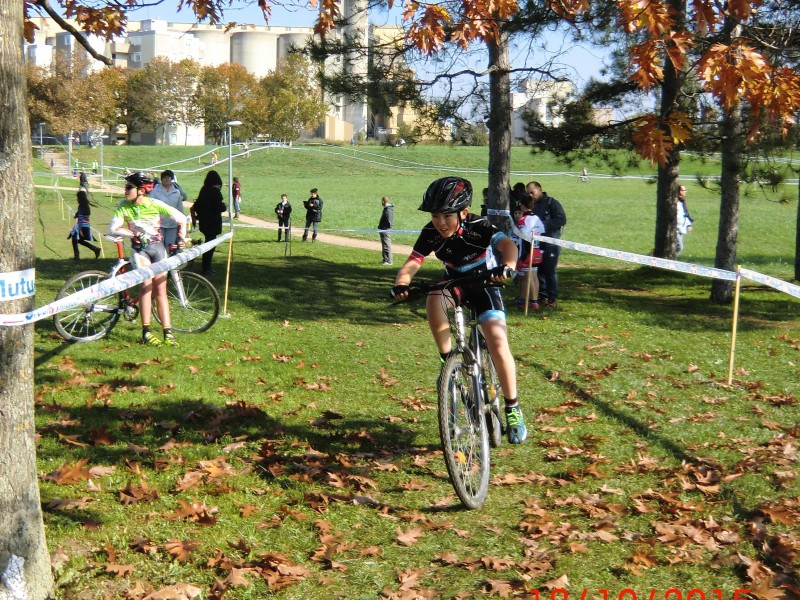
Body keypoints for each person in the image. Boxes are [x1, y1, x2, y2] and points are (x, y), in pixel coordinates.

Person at [390, 176, 527, 444]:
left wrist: (508, 266)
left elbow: (507, 246)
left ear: (463, 213)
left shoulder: (479, 225)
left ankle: (513, 408)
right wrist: (401, 284)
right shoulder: (430, 232)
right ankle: (448, 363)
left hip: (485, 283)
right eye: (435, 215)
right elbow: (412, 262)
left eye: (447, 216)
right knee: (434, 297)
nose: (440, 223)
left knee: (498, 343)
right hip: (455, 282)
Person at [108, 172, 186, 347]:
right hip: (140, 251)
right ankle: (147, 332)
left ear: (141, 190)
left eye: (129, 187)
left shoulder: (155, 204)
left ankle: (168, 332)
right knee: (146, 285)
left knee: (161, 289)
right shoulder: (124, 206)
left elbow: (181, 218)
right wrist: (132, 233)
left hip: (158, 249)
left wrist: (180, 241)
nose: (125, 190)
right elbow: (113, 228)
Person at [527, 181, 567, 308]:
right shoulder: (531, 205)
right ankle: (542, 295)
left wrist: (544, 225)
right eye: (528, 193)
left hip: (551, 243)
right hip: (537, 244)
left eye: (532, 192)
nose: (530, 195)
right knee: (538, 271)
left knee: (550, 271)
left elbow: (561, 219)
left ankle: (552, 298)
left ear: (539, 190)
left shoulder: (552, 203)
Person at [512, 193, 545, 311]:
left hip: (526, 252)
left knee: (527, 278)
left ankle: (528, 301)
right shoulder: (537, 218)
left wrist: (524, 255)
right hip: (537, 251)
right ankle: (534, 301)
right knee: (534, 277)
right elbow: (542, 232)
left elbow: (525, 238)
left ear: (523, 206)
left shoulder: (522, 221)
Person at [190, 170, 226, 276]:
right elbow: (219, 207)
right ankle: (206, 268)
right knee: (210, 246)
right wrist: (224, 206)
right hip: (213, 222)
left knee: (208, 244)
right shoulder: (215, 192)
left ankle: (207, 267)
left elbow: (197, 205)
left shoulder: (204, 190)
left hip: (204, 222)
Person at [150, 169, 188, 248]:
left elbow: (180, 208)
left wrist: (181, 223)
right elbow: (150, 205)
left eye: (168, 177)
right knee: (159, 246)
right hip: (159, 224)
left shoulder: (177, 192)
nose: (166, 179)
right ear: (161, 179)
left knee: (170, 246)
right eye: (164, 177)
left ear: (171, 179)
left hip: (172, 224)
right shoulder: (155, 191)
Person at [69, 190, 100, 260]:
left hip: (82, 227)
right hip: (86, 226)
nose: (76, 199)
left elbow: (80, 218)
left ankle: (77, 257)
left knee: (75, 240)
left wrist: (80, 230)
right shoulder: (86, 205)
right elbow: (82, 214)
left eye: (77, 198)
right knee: (79, 240)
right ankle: (95, 249)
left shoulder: (81, 206)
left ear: (80, 198)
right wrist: (77, 214)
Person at [676, 185, 693, 257]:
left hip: (681, 228)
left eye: (685, 190)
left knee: (678, 247)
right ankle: (670, 261)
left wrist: (689, 225)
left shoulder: (682, 201)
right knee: (680, 247)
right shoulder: (675, 202)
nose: (684, 192)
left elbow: (685, 213)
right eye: (682, 190)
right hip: (675, 228)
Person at [378, 196, 394, 265]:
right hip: (384, 229)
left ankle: (388, 261)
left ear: (384, 201)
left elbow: (389, 220)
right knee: (384, 244)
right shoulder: (387, 209)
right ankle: (385, 259)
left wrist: (385, 227)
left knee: (386, 245)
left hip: (385, 229)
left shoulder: (388, 210)